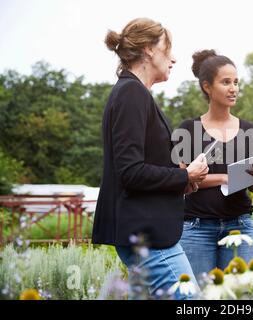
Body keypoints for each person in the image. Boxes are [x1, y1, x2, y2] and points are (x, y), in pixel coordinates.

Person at [92, 18, 209, 299]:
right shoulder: (131, 93)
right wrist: (185, 175)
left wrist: (180, 180)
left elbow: (138, 166)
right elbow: (130, 171)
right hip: (148, 235)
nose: (174, 58)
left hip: (146, 232)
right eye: (168, 49)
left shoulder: (134, 93)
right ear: (147, 50)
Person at [174, 50, 253, 281]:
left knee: (240, 296)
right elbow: (179, 181)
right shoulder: (188, 129)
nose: (234, 88)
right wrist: (223, 178)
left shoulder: (249, 131)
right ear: (207, 87)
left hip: (239, 225)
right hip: (196, 229)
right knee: (198, 299)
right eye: (226, 82)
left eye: (236, 82)